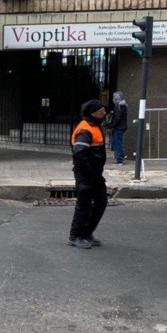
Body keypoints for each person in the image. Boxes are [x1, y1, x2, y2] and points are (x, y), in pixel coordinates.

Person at [68, 99, 109, 249]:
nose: (104, 113)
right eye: (101, 111)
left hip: (95, 174)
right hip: (86, 174)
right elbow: (79, 153)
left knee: (101, 201)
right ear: (93, 113)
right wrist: (87, 172)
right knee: (84, 204)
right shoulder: (85, 129)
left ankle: (86, 233)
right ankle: (75, 236)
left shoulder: (95, 126)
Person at [109, 91, 128, 165]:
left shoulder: (118, 106)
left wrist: (111, 125)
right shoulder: (124, 105)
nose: (113, 99)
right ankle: (121, 156)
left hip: (118, 127)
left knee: (117, 143)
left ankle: (120, 159)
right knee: (116, 142)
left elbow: (117, 117)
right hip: (122, 127)